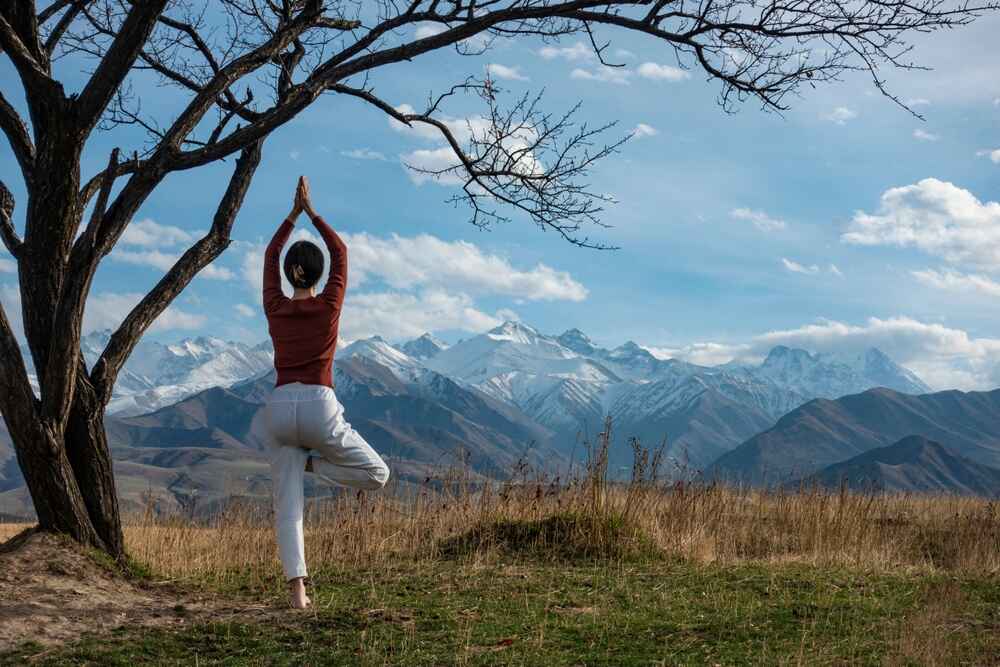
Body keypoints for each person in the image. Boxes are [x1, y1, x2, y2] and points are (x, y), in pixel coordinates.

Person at [256, 175, 390, 609]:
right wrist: (311, 212)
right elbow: (341, 252)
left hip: (278, 409)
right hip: (318, 404)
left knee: (287, 506)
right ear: (318, 274)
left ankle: (297, 591)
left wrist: (291, 215)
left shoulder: (276, 308)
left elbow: (271, 253)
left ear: (286, 273)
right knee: (377, 474)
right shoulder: (329, 306)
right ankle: (314, 465)